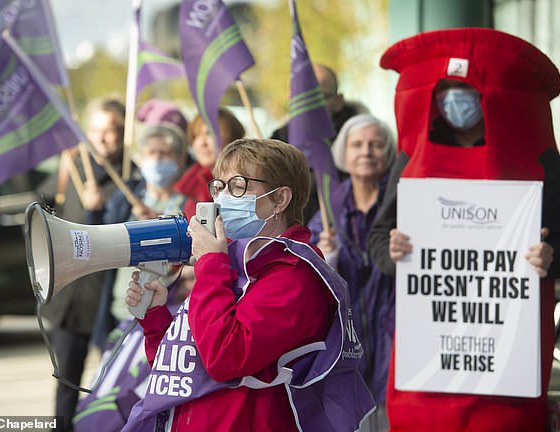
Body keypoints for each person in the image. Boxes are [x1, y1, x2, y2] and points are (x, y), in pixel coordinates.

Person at [367, 28, 560, 431]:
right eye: (446, 91)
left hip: (508, 363)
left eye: (466, 90)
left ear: (492, 96)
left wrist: (552, 257)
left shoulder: (540, 158)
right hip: (427, 356)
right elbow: (378, 236)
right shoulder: (413, 156)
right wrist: (392, 253)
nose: (455, 102)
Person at [122, 138, 375, 431]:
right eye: (219, 187)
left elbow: (225, 358)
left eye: (238, 186)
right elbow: (182, 370)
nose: (222, 198)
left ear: (280, 199)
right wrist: (156, 320)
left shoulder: (295, 277)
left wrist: (210, 264)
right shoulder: (237, 265)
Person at [37, 97, 126, 432]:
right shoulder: (71, 164)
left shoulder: (130, 175)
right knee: (67, 385)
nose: (101, 138)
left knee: (112, 386)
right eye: (95, 130)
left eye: (111, 131)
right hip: (70, 300)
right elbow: (41, 208)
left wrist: (99, 211)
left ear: (123, 134)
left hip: (108, 300)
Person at [308, 113, 396, 432]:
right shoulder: (328, 206)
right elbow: (309, 275)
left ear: (389, 152)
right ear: (343, 154)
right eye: (357, 145)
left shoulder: (402, 200)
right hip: (347, 345)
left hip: (394, 341)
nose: (366, 152)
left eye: (375, 145)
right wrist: (325, 252)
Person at [83, 122, 190, 338]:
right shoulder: (126, 198)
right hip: (122, 312)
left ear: (180, 160)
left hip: (171, 313)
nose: (158, 159)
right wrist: (93, 211)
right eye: (151, 152)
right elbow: (100, 243)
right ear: (141, 159)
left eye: (165, 153)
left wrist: (160, 226)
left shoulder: (191, 203)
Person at [271, 63, 369, 222]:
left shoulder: (364, 144)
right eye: (303, 95)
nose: (309, 105)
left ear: (338, 101)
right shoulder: (275, 145)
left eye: (319, 96)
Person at [173, 107, 245, 220]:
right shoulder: (190, 182)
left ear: (232, 139)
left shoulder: (245, 186)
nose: (202, 143)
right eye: (196, 136)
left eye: (209, 134)